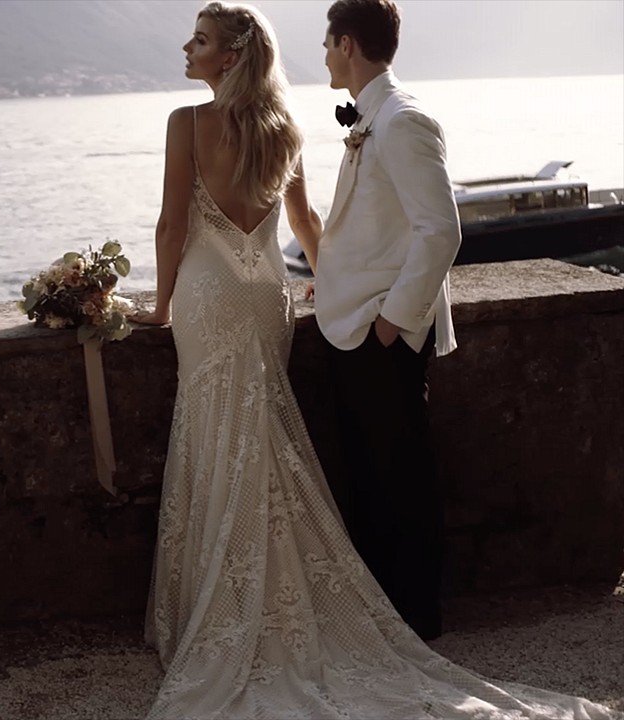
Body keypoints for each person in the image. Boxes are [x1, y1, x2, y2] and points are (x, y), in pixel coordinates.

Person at [130, 2, 614, 717]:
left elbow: (173, 224)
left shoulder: (190, 124)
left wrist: (162, 306)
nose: (186, 47)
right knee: (270, 437)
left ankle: (234, 598)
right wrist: (333, 286)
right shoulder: (284, 128)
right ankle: (320, 594)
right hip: (271, 301)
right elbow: (306, 224)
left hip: (218, 301)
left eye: (199, 39)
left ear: (229, 57)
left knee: (224, 435)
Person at [314, 0, 458, 644]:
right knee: (371, 473)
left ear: (347, 44)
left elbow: (441, 231)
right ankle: (389, 613)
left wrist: (392, 324)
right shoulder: (372, 116)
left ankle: (418, 615)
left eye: (326, 43)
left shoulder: (402, 121)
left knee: (401, 472)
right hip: (355, 324)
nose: (322, 55)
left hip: (382, 332)